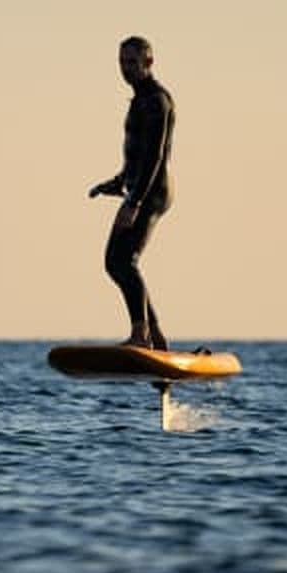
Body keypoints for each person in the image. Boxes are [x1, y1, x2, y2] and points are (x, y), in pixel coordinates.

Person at [89, 36, 175, 350]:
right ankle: (156, 337)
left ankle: (141, 335)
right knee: (118, 262)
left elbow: (154, 156)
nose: (126, 69)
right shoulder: (139, 100)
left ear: (149, 63)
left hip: (152, 192)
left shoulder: (156, 101)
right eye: (122, 62)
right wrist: (117, 182)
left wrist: (135, 201)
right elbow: (136, 156)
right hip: (140, 188)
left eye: (132, 62)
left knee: (122, 261)